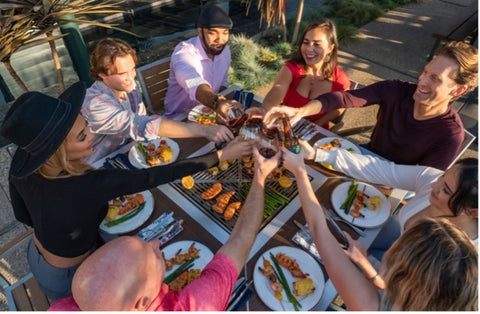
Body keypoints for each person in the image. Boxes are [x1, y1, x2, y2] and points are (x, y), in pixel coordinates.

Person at [0, 81, 256, 301]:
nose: (91, 135)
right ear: (58, 154)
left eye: (86, 125)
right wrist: (222, 154)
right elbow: (156, 175)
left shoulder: (22, 166)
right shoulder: (87, 185)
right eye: (81, 136)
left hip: (37, 256)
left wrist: (60, 224)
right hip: (71, 278)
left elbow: (24, 217)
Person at [48, 146, 282, 311]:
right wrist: (260, 175)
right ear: (143, 302)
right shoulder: (194, 306)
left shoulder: (62, 308)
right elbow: (242, 238)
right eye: (152, 253)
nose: (157, 242)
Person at [281, 147, 478, 310]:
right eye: (442, 176)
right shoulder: (436, 263)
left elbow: (319, 231)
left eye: (446, 190)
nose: (435, 183)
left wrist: (299, 172)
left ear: (473, 212)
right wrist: (319, 154)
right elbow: (380, 169)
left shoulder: (374, 305)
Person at [265, 41, 478, 170]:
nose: (421, 82)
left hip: (394, 181)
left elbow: (421, 182)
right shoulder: (395, 89)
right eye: (425, 72)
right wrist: (301, 111)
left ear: (457, 90)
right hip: (366, 154)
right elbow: (344, 98)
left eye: (435, 79)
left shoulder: (449, 135)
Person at [81, 37, 234, 165]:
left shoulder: (129, 86)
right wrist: (204, 130)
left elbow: (143, 118)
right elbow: (139, 125)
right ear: (102, 74)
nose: (131, 78)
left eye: (132, 69)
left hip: (132, 153)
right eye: (122, 74)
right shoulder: (95, 103)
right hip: (99, 165)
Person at [261, 19, 350, 129]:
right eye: (306, 42)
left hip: (315, 133)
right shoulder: (291, 68)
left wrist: (317, 124)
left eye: (317, 44)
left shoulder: (340, 80)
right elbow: (278, 89)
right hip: (285, 128)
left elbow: (340, 107)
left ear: (330, 48)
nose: (309, 49)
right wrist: (264, 110)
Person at [163, 4, 236, 119]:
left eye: (225, 33)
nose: (220, 40)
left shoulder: (224, 50)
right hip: (180, 119)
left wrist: (223, 104)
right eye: (213, 32)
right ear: (200, 31)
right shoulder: (184, 53)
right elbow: (194, 82)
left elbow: (223, 83)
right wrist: (217, 103)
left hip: (210, 115)